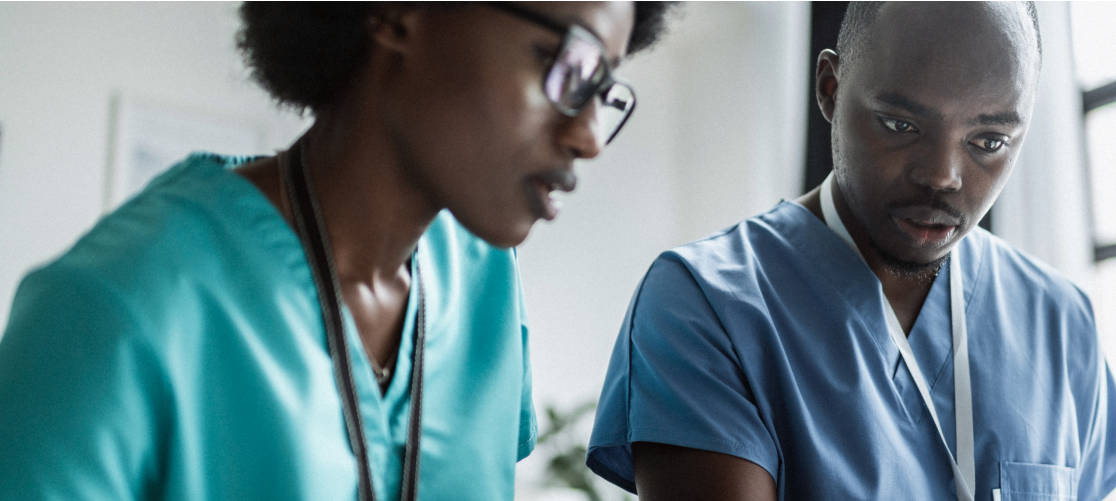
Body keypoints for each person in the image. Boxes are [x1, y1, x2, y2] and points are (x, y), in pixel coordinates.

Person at [0, 1, 675, 499]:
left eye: (606, 89)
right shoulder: (112, 308)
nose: (589, 136)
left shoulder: (487, 289)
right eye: (571, 65)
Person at [586, 2, 1116, 500]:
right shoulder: (704, 303)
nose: (941, 176)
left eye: (988, 141)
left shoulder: (1061, 321)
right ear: (829, 87)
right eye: (901, 124)